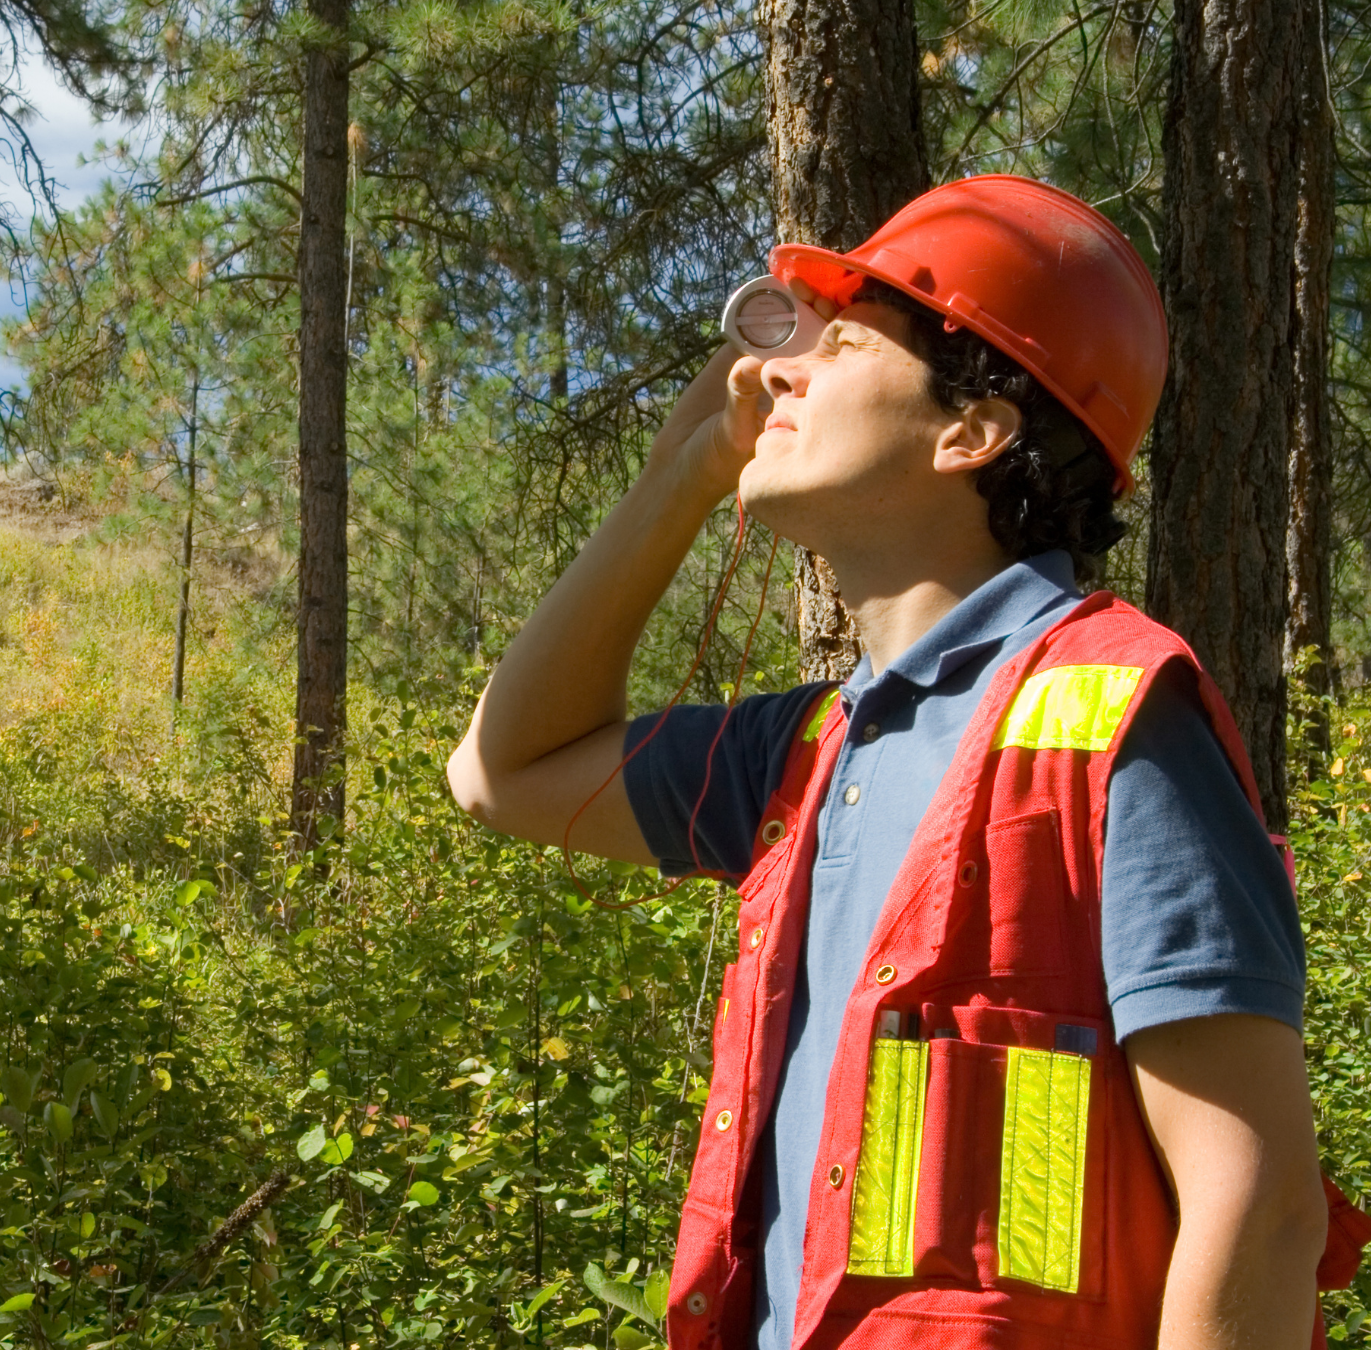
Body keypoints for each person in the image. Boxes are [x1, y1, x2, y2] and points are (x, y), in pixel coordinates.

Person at [446, 176, 1363, 1349]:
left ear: (973, 429)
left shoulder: (1113, 720)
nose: (779, 369)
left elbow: (1262, 1207)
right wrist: (687, 469)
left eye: (842, 342)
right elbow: (500, 772)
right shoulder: (807, 754)